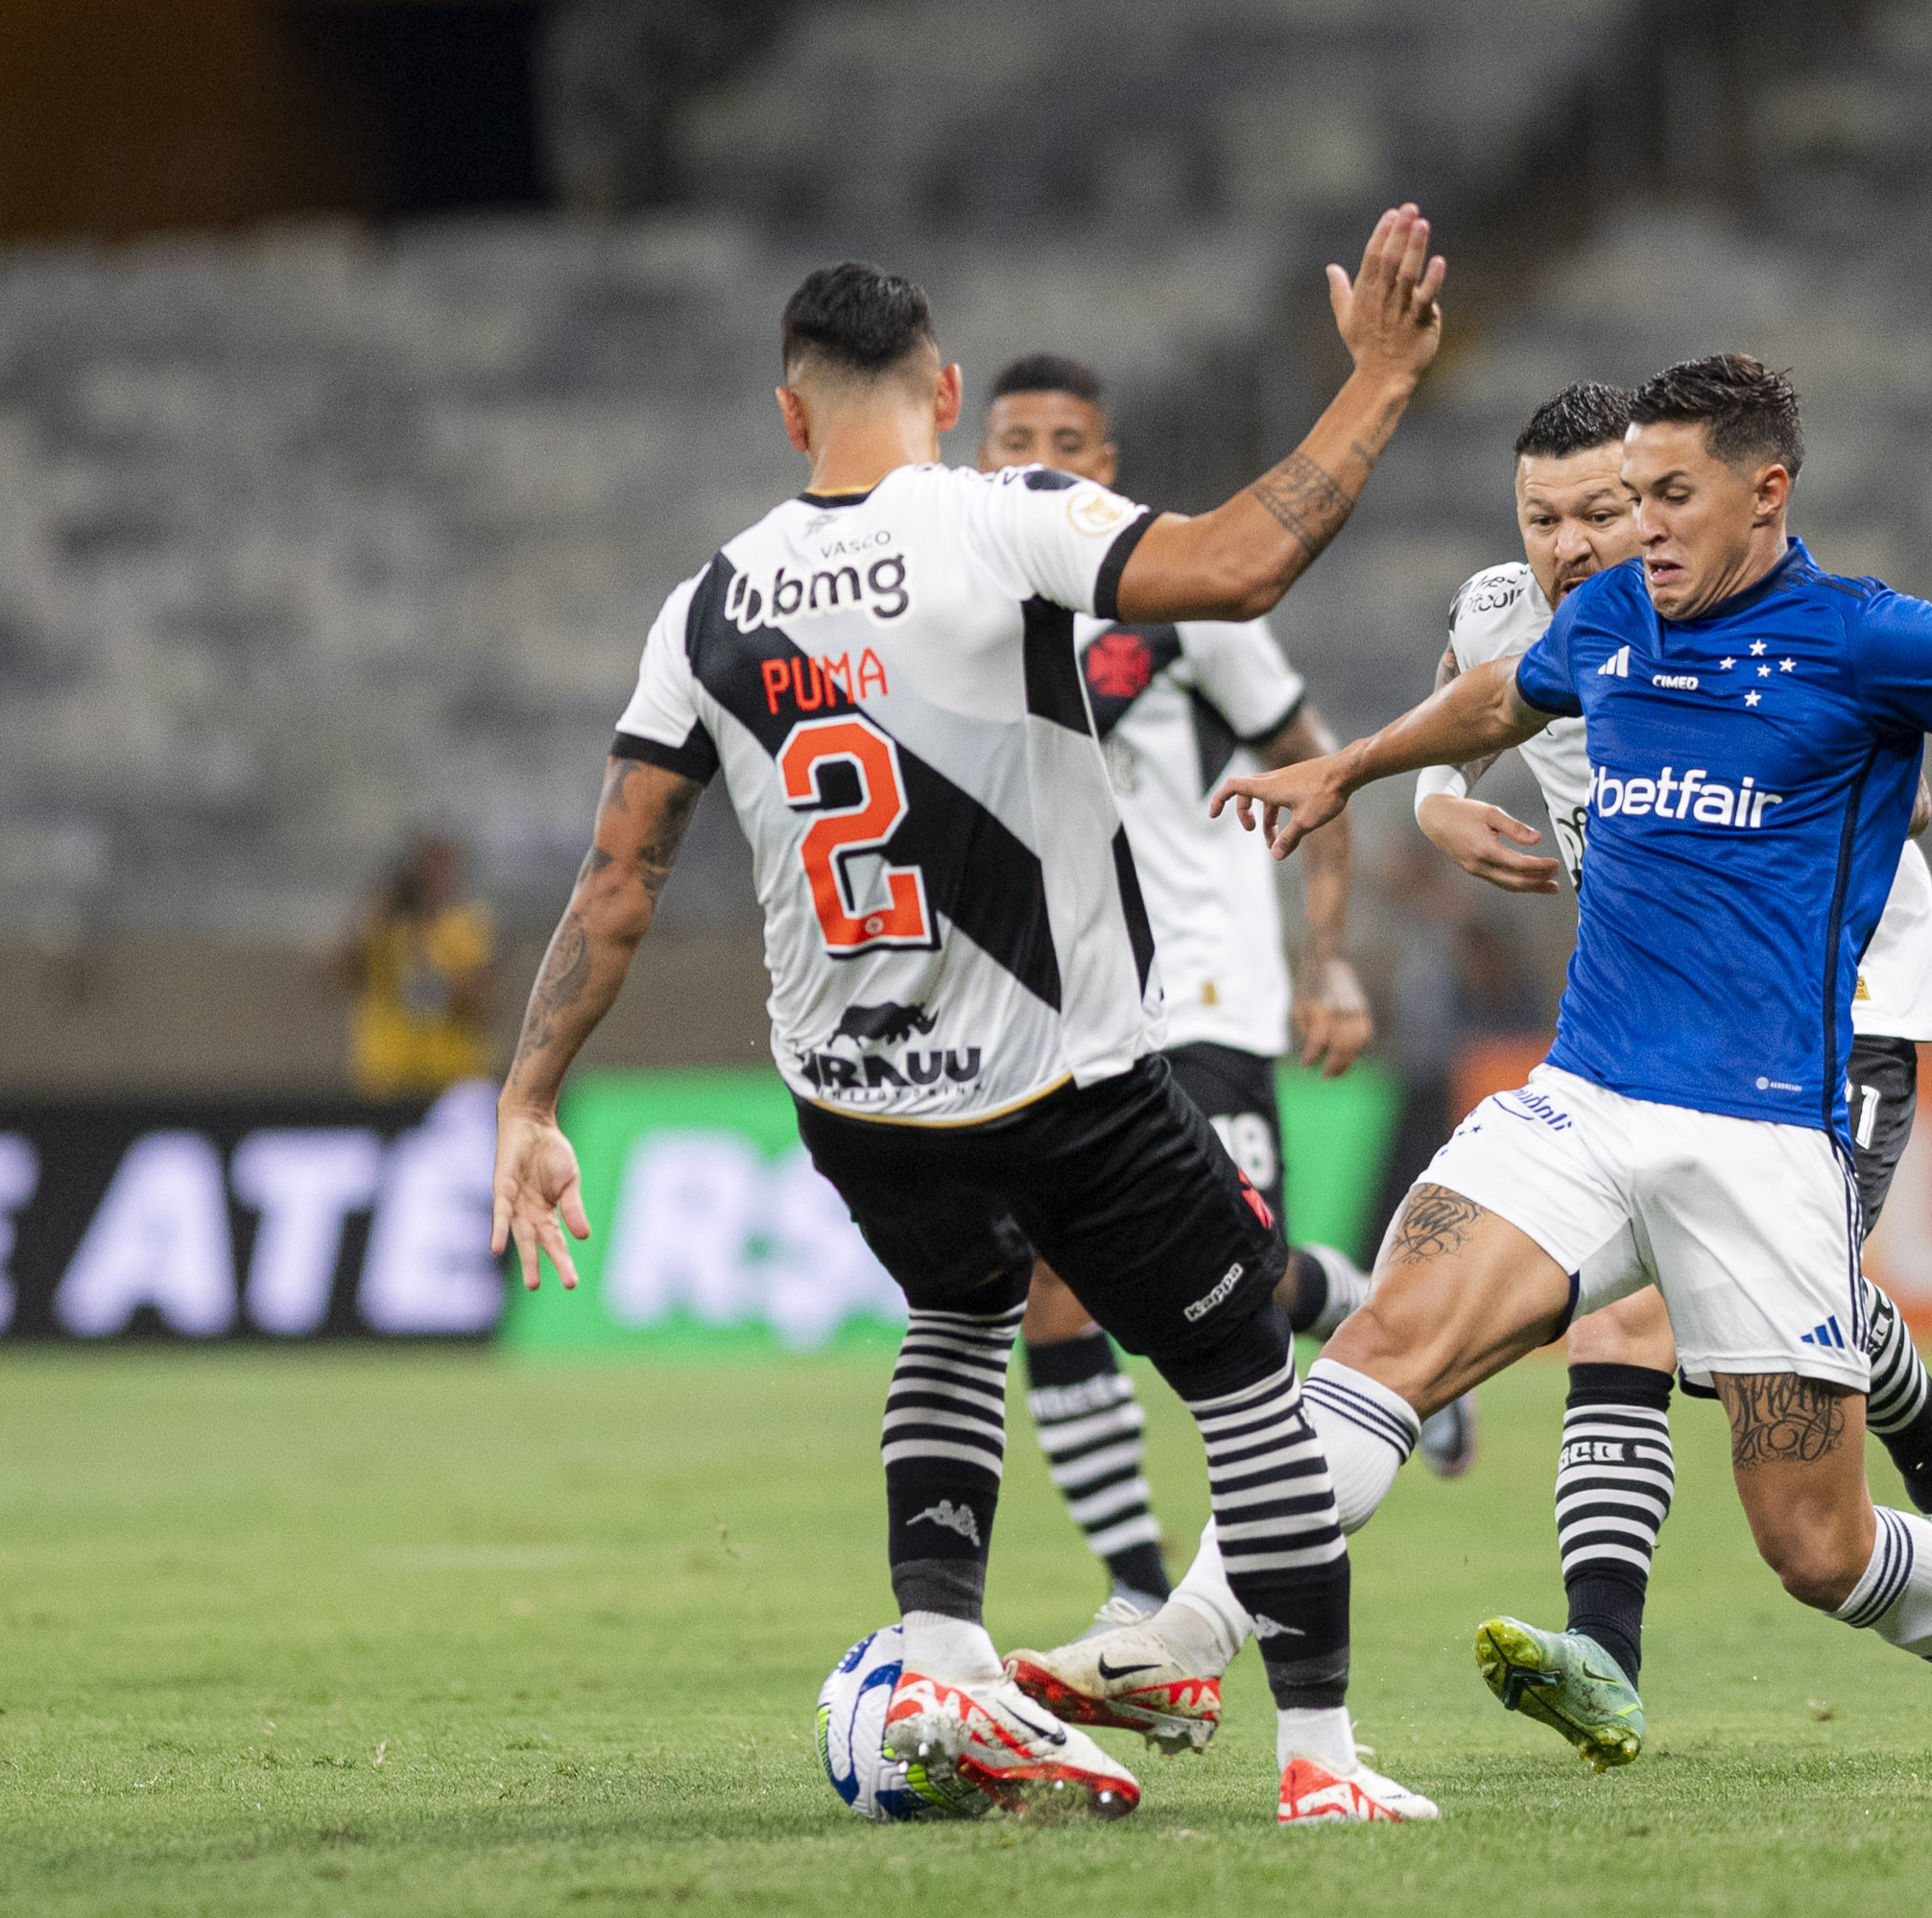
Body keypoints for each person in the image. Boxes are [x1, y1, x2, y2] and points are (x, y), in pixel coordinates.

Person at [1027, 354, 1932, 1795]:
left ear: (1767, 491)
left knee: (1815, 1547)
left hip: (1763, 1136)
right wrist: (1365, 776)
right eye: (1629, 497)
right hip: (1584, 1099)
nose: (1638, 531)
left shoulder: (1870, 637)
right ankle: (1190, 1631)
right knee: (1385, 1345)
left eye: (1669, 497)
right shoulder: (1618, 616)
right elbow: (1500, 697)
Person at [488, 210, 1452, 1828]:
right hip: (1059, 1066)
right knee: (1236, 1376)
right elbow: (1240, 562)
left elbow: (614, 884)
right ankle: (1323, 1764)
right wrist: (1381, 381)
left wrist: (527, 1101)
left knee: (960, 1309)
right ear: (942, 389)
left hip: (856, 1091)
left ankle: (941, 1661)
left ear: (789, 413)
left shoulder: (706, 605)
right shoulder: (1006, 520)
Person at [1403, 379, 1932, 1769]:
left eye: (1599, 512)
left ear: (1659, 501)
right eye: (1541, 517)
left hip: (1832, 1002)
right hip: (1659, 1026)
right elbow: (1446, 742)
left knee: (1711, 1324)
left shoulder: (1772, 625)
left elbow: (1900, 784)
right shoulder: (1509, 614)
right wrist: (1448, 816)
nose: (1568, 543)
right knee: (1625, 1319)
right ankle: (1606, 1662)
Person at [968, 349, 1450, 1634]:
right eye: (1015, 435)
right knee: (1054, 1290)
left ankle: (1361, 1308)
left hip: (1205, 990)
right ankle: (1136, 1586)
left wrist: (1329, 954)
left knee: (1229, 1287)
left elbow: (1320, 770)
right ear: (977, 457)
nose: (1041, 457)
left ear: (1105, 466)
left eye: (1068, 438)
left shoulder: (1180, 603)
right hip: (1068, 1010)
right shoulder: (961, 618)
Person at [331, 834, 494, 1097]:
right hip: (385, 1076)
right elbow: (338, 975)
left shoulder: (466, 924)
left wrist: (429, 968)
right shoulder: (383, 924)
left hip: (452, 1079)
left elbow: (480, 1001)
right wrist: (366, 914)